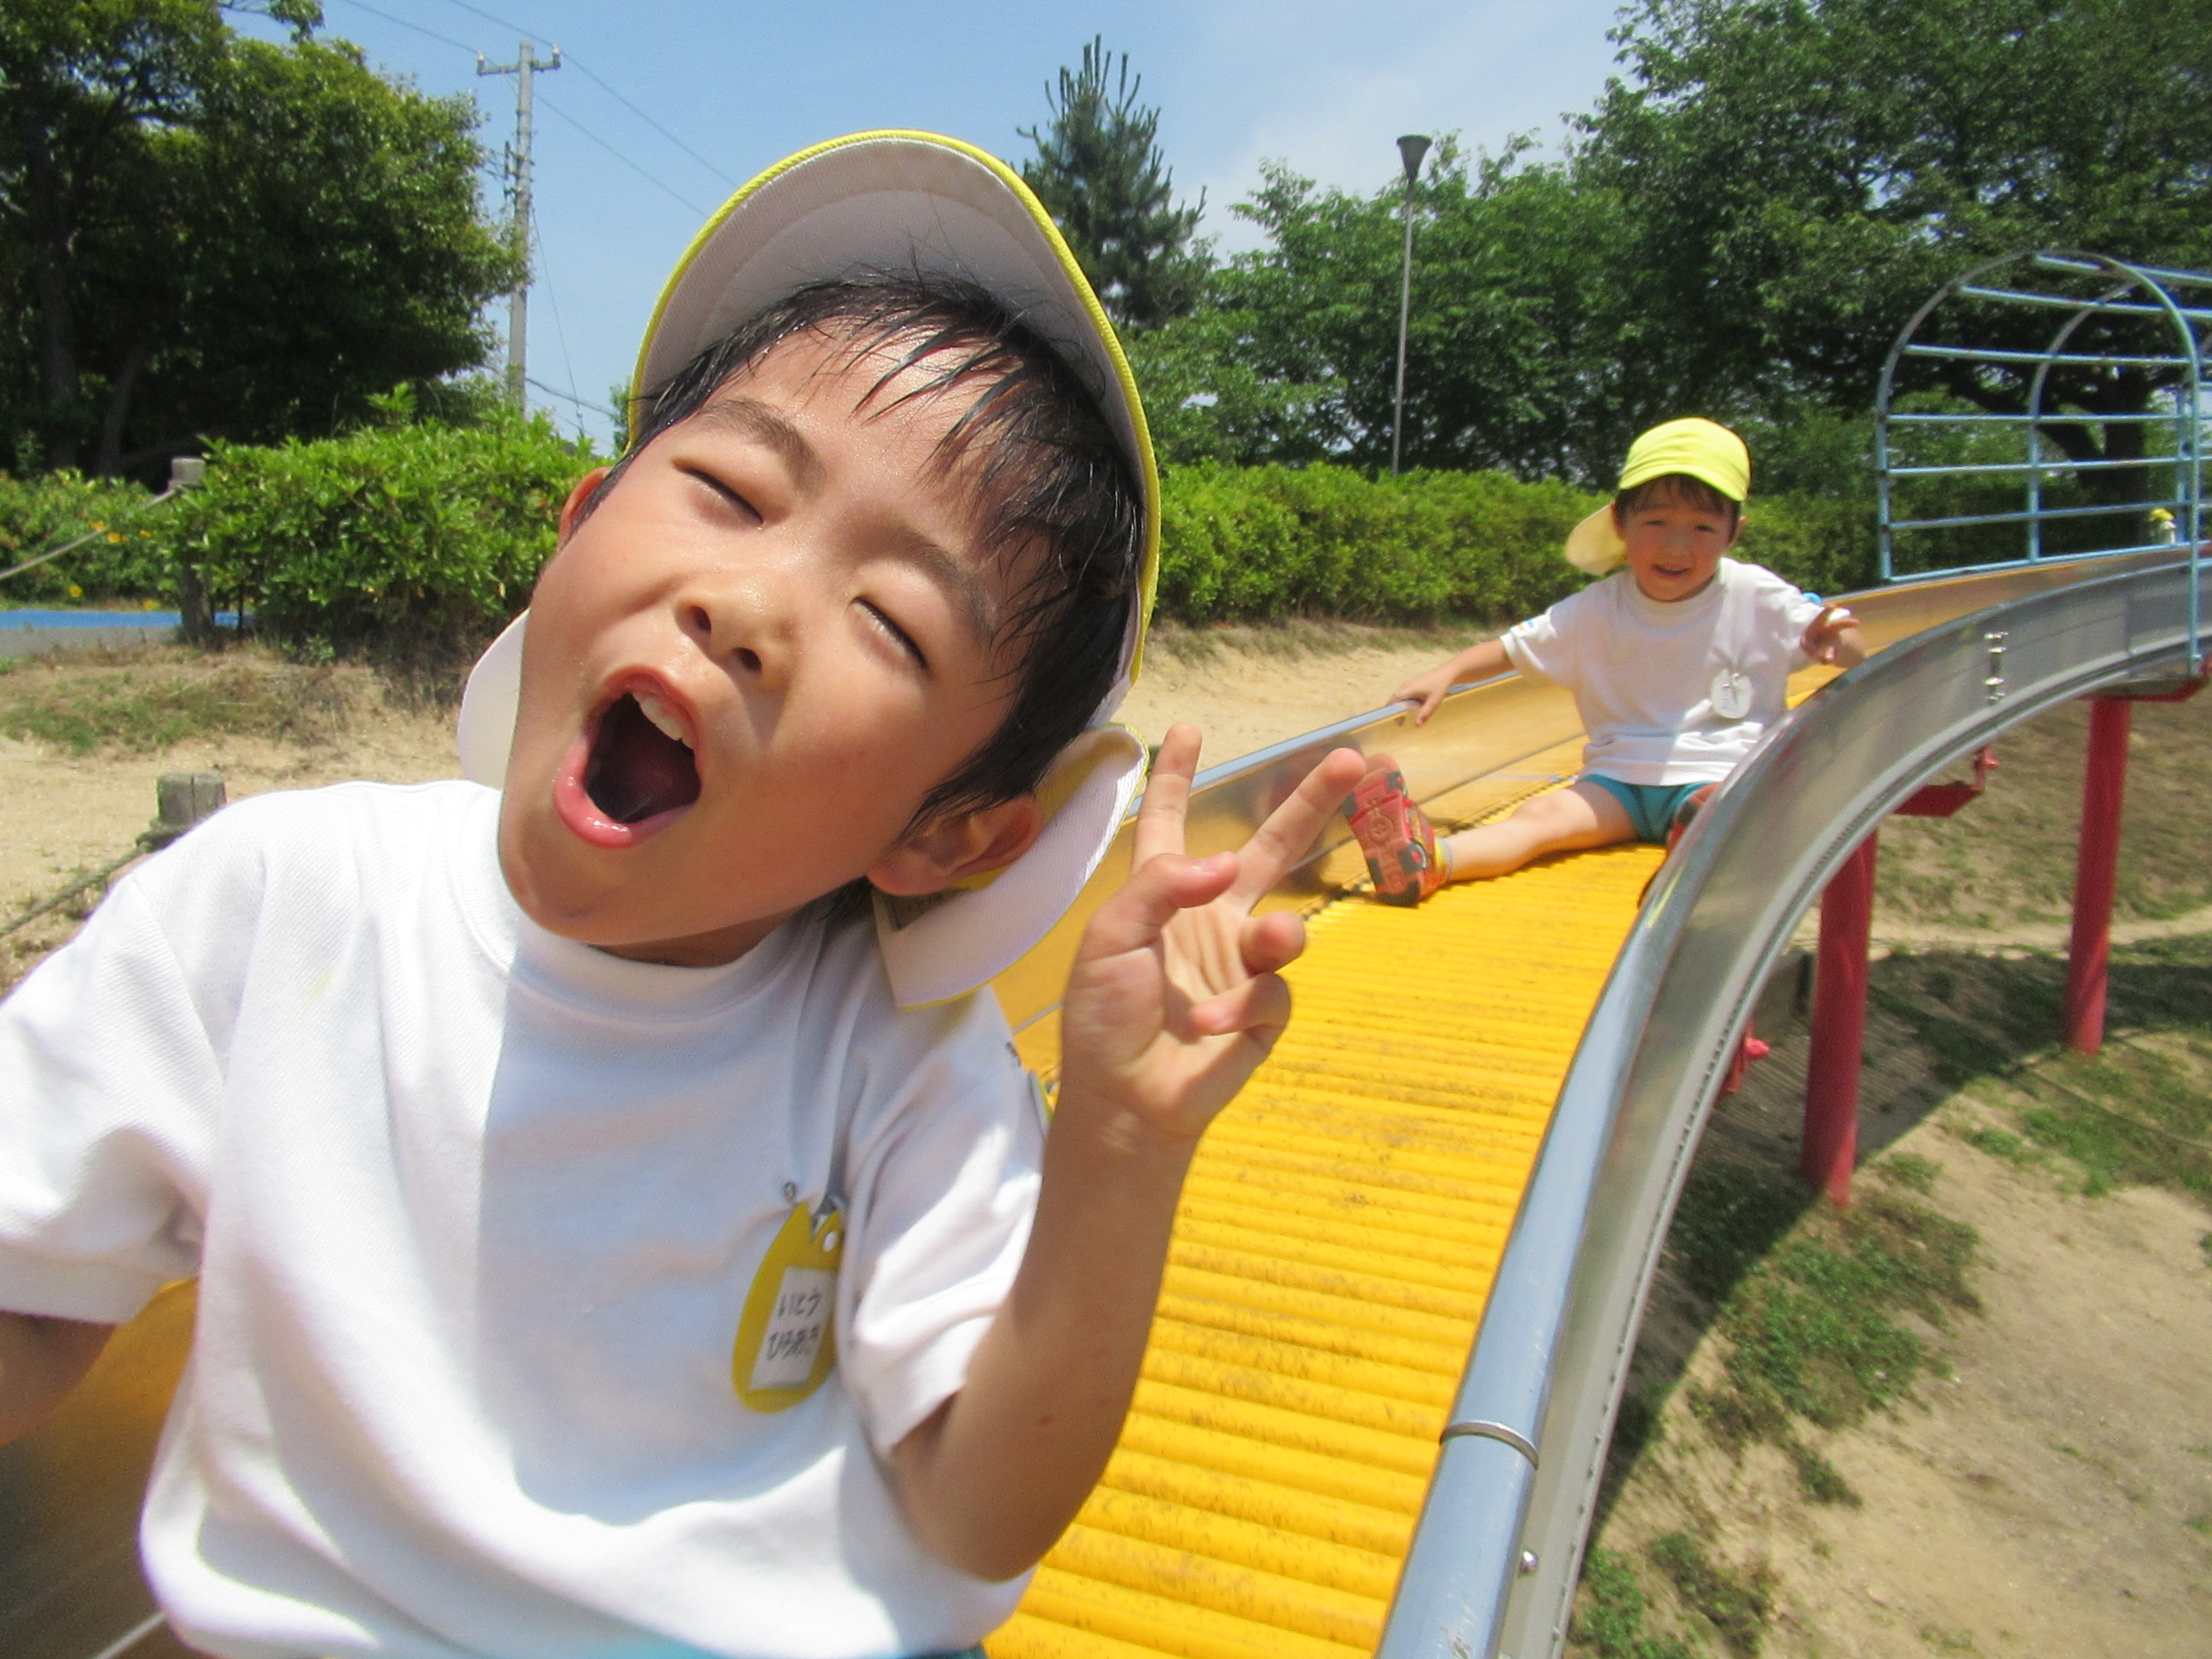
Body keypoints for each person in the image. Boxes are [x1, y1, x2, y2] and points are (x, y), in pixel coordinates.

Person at [0, 133, 1364, 1659]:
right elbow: (32, 1290)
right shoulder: (274, 906)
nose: (750, 605)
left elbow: (977, 1507)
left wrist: (1116, 1149)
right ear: (578, 525)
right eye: (727, 488)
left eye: (891, 623)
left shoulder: (897, 1063)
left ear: (949, 838)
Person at [1344, 417, 1864, 903]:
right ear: (1620, 522)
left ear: (1734, 533)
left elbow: (1849, 646)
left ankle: (1696, 859)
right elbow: (1514, 648)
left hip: (1718, 771)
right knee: (1542, 818)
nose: (1677, 545)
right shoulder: (1596, 609)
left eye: (1703, 528)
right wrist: (1448, 672)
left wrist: (1834, 637)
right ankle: (1432, 861)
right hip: (1618, 783)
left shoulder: (1756, 595)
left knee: (1724, 807)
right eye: (1656, 521)